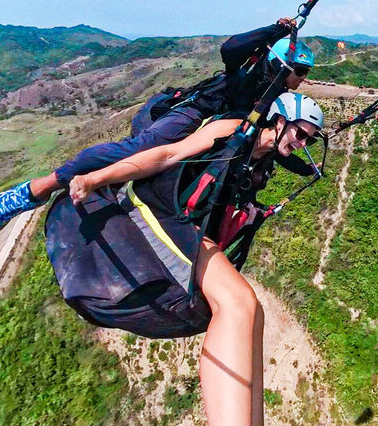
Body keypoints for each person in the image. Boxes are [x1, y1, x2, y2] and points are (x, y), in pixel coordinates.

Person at [48, 91, 324, 426]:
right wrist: (97, 178)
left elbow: (263, 177)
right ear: (279, 119)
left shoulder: (263, 157)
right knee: (238, 302)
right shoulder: (236, 127)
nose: (302, 142)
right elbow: (167, 154)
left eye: (309, 138)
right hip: (154, 208)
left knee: (253, 312)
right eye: (300, 133)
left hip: (188, 223)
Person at [0, 20, 314, 236]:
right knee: (141, 149)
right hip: (198, 111)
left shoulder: (279, 100)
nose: (303, 79)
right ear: (281, 64)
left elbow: (279, 140)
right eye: (300, 70)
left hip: (226, 130)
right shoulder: (250, 71)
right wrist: (274, 30)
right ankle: (34, 190)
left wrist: (305, 161)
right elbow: (230, 48)